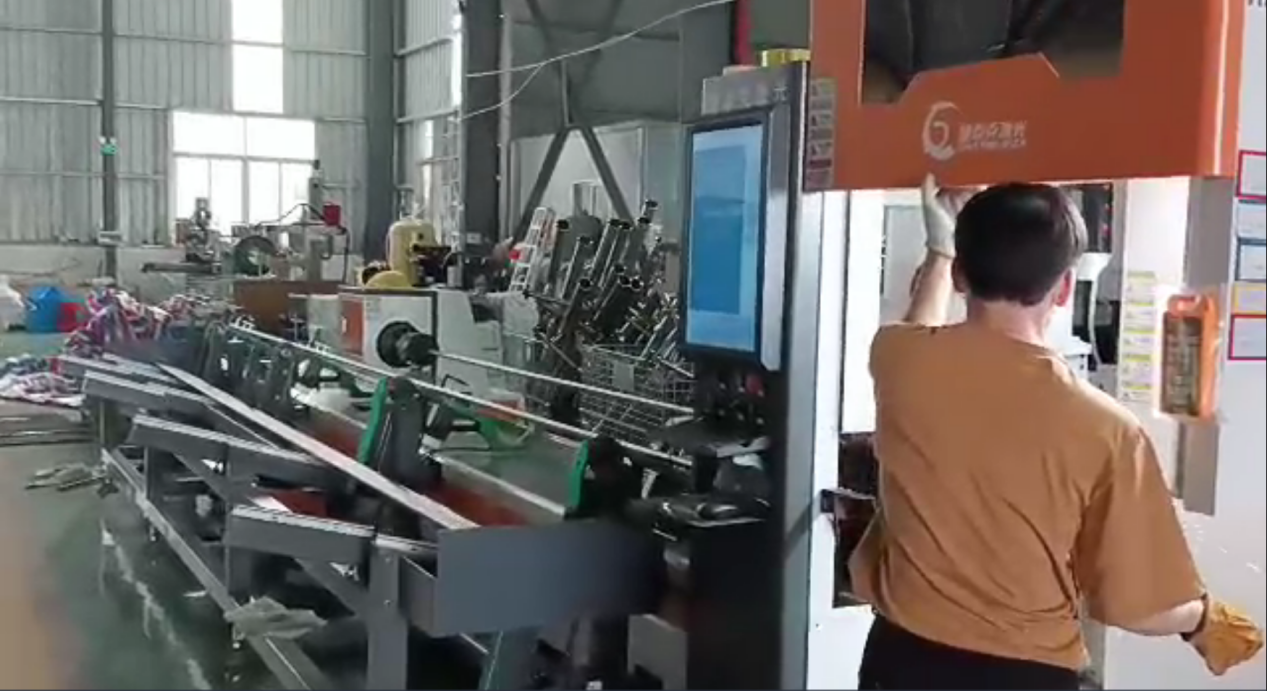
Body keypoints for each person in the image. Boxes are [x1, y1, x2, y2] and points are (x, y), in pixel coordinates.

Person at [849, 176, 1263, 689]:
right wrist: (1203, 618)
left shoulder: (898, 360)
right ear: (1066, 288)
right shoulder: (1106, 429)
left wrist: (939, 249)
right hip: (1020, 675)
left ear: (960, 276)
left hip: (898, 658)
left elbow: (918, 328)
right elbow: (1138, 606)